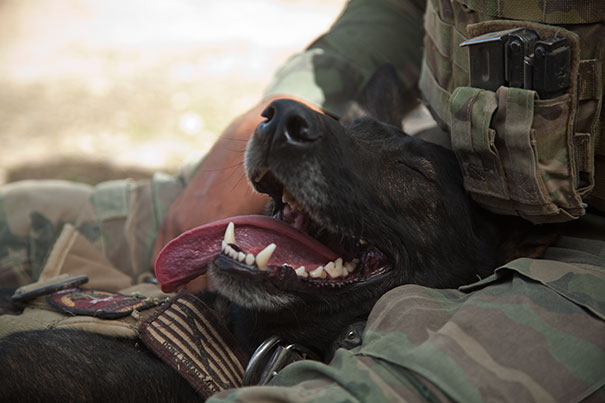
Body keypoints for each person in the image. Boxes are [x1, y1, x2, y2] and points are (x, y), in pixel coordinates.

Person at [1, 0, 604, 400]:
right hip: (453, 146)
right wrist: (293, 106)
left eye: (409, 178)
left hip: (580, 248)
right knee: (15, 220)